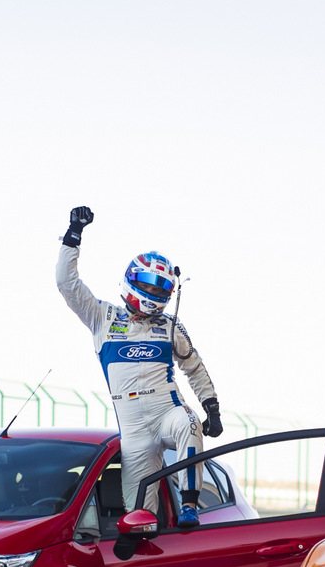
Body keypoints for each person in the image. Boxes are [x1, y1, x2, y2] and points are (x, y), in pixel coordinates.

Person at [55, 206, 222, 526]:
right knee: (137, 517)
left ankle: (190, 506)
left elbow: (195, 367)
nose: (153, 292)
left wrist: (211, 406)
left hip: (167, 412)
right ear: (131, 280)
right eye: (148, 283)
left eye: (161, 288)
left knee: (188, 422)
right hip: (133, 431)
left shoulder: (171, 325)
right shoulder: (101, 317)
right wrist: (73, 235)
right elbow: (67, 283)